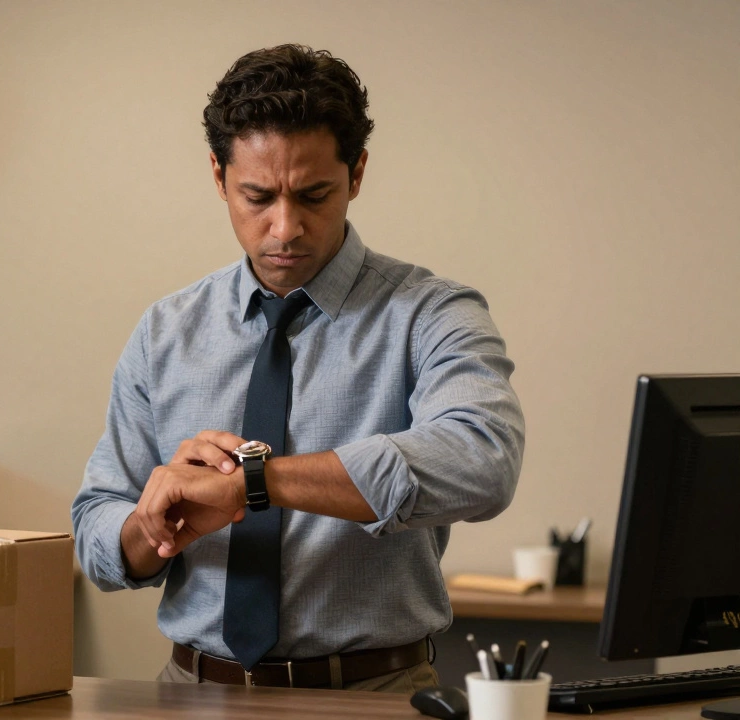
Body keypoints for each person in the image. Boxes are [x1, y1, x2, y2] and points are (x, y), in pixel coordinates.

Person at [71, 45, 525, 693]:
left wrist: (255, 484)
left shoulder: (432, 314)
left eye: (314, 195)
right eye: (257, 196)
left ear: (357, 173)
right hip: (190, 692)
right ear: (218, 176)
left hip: (372, 695)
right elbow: (96, 528)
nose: (284, 228)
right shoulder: (165, 331)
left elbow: (482, 461)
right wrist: (150, 528)